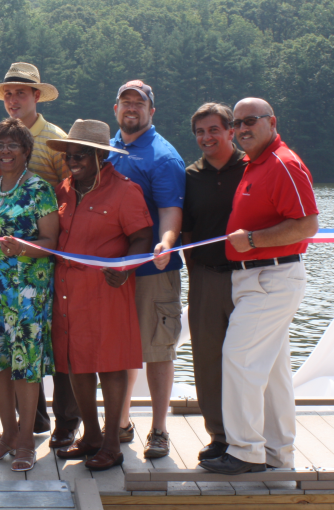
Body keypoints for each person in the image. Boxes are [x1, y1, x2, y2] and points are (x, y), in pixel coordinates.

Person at [201, 98, 318, 475]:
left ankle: (246, 451)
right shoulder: (257, 164)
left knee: (239, 358)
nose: (242, 129)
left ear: (272, 122)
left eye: (250, 120)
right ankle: (277, 452)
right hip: (258, 277)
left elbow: (307, 225)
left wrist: (251, 241)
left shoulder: (284, 164)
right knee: (272, 372)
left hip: (272, 276)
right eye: (236, 123)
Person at [0, 61, 81, 448]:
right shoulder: (0, 140)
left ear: (36, 96)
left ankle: (67, 421)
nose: (13, 99)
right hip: (0, 275)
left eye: (20, 92)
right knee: (18, 350)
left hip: (47, 256)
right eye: (7, 93)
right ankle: (33, 421)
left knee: (54, 343)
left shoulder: (55, 138)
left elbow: (69, 191)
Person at [47, 120, 153, 471]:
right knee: (75, 363)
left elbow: (142, 237)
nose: (72, 161)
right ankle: (90, 435)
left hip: (107, 289)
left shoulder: (125, 191)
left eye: (80, 155)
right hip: (67, 291)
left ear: (99, 157)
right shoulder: (62, 190)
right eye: (69, 155)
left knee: (109, 365)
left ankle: (111, 443)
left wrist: (124, 266)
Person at [0, 118, 58, 472]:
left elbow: (52, 245)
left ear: (26, 151)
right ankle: (7, 434)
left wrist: (21, 247)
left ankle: (25, 440)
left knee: (25, 363)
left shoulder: (40, 190)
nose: (5, 152)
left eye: (12, 146)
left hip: (26, 291)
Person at [108, 80, 184, 458]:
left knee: (156, 351)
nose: (132, 108)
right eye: (126, 102)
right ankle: (120, 425)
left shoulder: (163, 155)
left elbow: (171, 210)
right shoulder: (109, 148)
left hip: (155, 269)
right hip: (113, 271)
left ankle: (158, 430)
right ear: (116, 108)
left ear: (152, 111)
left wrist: (166, 243)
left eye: (140, 103)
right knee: (119, 349)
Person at [181, 103, 247, 461]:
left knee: (247, 360)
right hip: (206, 277)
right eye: (200, 132)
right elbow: (187, 232)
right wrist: (197, 278)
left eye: (213, 130)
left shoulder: (252, 168)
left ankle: (250, 432)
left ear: (230, 131)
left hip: (252, 278)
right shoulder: (190, 175)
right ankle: (219, 435)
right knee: (208, 360)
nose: (207, 138)